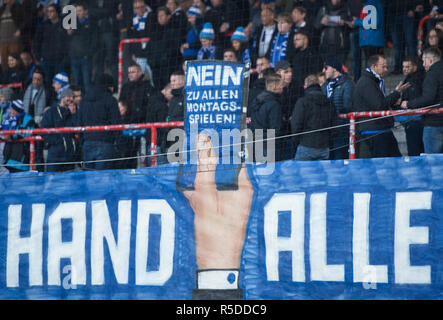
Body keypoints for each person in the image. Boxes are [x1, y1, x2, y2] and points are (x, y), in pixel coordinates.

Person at [351, 54, 411, 158]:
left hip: (380, 127)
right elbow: (379, 105)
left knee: (395, 160)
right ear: (373, 67)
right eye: (383, 66)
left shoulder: (372, 81)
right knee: (385, 163)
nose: (386, 69)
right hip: (374, 130)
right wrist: (396, 93)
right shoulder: (366, 83)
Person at [401, 47, 443, 154]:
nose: (423, 64)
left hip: (434, 123)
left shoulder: (432, 74)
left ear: (430, 60)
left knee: (433, 161)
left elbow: (428, 98)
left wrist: (409, 104)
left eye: (424, 61)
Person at [77, 73, 121, 170]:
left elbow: (79, 123)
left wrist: (82, 142)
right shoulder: (111, 100)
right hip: (105, 144)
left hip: (87, 143)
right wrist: (119, 144)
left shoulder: (84, 100)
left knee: (89, 179)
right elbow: (116, 123)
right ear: (109, 86)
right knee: (103, 180)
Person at [291, 74, 336, 161]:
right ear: (319, 85)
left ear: (305, 86)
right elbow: (334, 128)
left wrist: (297, 141)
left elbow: (296, 125)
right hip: (324, 147)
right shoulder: (329, 103)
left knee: (302, 173)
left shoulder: (302, 102)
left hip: (306, 144)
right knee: (320, 174)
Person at [321, 57, 354, 159]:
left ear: (334, 68)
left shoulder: (347, 84)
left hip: (341, 129)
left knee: (339, 158)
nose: (323, 71)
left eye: (326, 68)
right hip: (327, 129)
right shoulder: (325, 85)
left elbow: (347, 106)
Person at [249, 71, 284, 162]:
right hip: (268, 147)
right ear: (274, 86)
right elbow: (276, 129)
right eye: (281, 84)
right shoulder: (274, 104)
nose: (283, 87)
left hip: (255, 144)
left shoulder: (256, 101)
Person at [40, 88, 77, 172]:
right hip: (55, 156)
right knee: (52, 182)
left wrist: (74, 114)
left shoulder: (74, 112)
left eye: (72, 97)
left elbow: (77, 129)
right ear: (62, 97)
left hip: (70, 156)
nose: (71, 99)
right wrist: (58, 142)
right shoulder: (51, 112)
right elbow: (43, 131)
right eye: (68, 96)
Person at [32, 3, 67, 88]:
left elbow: (68, 42)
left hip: (59, 60)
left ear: (57, 12)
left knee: (59, 83)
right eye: (48, 11)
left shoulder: (64, 25)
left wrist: (65, 56)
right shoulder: (43, 26)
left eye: (52, 11)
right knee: (46, 83)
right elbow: (37, 41)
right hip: (46, 60)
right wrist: (38, 56)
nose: (49, 13)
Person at [66, 1, 97, 91]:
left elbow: (95, 41)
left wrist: (88, 54)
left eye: (79, 11)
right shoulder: (72, 23)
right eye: (76, 11)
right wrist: (69, 33)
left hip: (85, 58)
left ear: (86, 11)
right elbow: (67, 41)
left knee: (87, 83)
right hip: (74, 57)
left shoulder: (91, 23)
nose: (78, 13)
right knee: (78, 83)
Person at [1, 99, 35, 173]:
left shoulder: (28, 119)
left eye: (12, 109)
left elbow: (28, 134)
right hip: (9, 157)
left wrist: (12, 136)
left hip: (21, 158)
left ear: (17, 110)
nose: (10, 111)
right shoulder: (9, 119)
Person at [289, 30, 323, 102]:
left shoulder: (313, 55)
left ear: (305, 40)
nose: (294, 42)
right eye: (294, 40)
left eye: (297, 39)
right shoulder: (294, 54)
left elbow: (315, 73)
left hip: (307, 90)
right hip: (295, 90)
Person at [0, 0, 26, 74]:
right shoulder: (1, 9)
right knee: (4, 62)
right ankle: (6, 80)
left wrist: (20, 30)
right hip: (2, 41)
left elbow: (25, 20)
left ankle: (16, 78)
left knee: (15, 61)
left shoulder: (18, 7)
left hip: (14, 40)